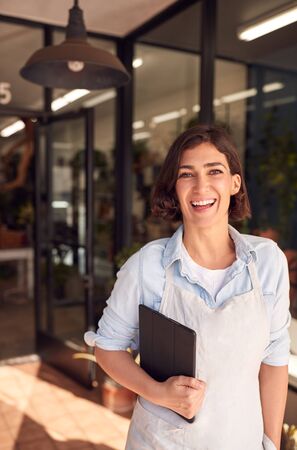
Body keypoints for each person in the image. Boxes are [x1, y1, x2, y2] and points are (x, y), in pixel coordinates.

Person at [84, 125, 290, 450]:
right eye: (186, 174)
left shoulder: (267, 262)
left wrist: (272, 444)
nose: (201, 186)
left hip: (242, 440)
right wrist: (159, 393)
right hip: (161, 443)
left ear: (235, 183)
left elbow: (275, 358)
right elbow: (107, 347)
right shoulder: (147, 267)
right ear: (175, 188)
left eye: (215, 171)